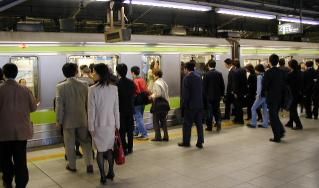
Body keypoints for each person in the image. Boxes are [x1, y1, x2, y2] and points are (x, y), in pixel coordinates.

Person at [0, 63, 37, 188]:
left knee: (5, 159)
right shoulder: (25, 90)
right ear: (16, 74)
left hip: (3, 133)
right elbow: (33, 108)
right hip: (22, 132)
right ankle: (21, 184)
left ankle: (7, 181)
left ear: (4, 74)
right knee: (21, 160)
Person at [55, 63, 93, 173]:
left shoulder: (60, 87)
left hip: (68, 121)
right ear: (76, 71)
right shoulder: (84, 84)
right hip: (82, 118)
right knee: (86, 142)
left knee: (69, 144)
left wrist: (59, 120)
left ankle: (72, 166)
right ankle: (89, 164)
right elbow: (88, 103)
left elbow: (59, 105)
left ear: (63, 73)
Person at [88, 63, 120, 185]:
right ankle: (111, 171)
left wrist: (90, 127)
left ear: (100, 74)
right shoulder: (114, 88)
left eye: (94, 72)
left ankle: (102, 176)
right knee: (109, 150)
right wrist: (117, 125)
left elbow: (91, 111)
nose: (93, 74)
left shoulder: (92, 90)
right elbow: (116, 109)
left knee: (100, 152)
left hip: (97, 126)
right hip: (111, 125)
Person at [178, 61, 204, 149]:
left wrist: (184, 106)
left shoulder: (186, 78)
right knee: (199, 124)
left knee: (187, 125)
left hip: (190, 106)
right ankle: (200, 141)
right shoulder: (199, 77)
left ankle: (186, 142)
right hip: (199, 105)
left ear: (186, 69)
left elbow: (186, 95)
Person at [263, 54, 286, 143]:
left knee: (273, 117)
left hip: (271, 98)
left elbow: (265, 86)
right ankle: (281, 131)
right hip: (280, 97)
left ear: (269, 61)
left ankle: (277, 136)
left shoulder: (268, 72)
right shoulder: (281, 72)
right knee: (275, 115)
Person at [116, 63, 136, 155]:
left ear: (118, 72)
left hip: (121, 111)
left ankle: (124, 148)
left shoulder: (117, 84)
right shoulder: (131, 82)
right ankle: (131, 148)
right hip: (130, 109)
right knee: (130, 130)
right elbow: (133, 95)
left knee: (122, 131)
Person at [203, 60, 225, 132]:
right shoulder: (219, 73)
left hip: (209, 97)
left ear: (209, 65)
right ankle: (218, 124)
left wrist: (204, 96)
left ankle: (209, 127)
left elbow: (204, 87)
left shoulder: (206, 74)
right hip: (217, 96)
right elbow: (222, 85)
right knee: (217, 111)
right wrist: (222, 94)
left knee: (209, 112)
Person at [149, 69, 170, 141]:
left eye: (153, 74)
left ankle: (158, 137)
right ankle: (166, 136)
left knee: (155, 121)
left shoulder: (157, 83)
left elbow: (158, 94)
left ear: (156, 75)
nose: (153, 76)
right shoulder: (164, 82)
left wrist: (151, 96)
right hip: (165, 104)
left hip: (158, 104)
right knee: (163, 121)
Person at [246, 64, 269, 128]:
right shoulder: (265, 75)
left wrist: (257, 95)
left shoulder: (259, 77)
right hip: (266, 95)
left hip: (260, 96)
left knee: (253, 108)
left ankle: (253, 123)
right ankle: (265, 124)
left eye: (256, 69)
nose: (255, 71)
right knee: (265, 109)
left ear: (258, 70)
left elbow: (259, 87)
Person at [131, 66, 149, 140]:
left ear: (132, 73)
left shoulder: (135, 81)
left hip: (137, 101)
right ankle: (136, 131)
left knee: (138, 118)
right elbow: (146, 89)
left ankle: (144, 134)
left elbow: (137, 91)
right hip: (143, 101)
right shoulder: (142, 79)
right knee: (140, 116)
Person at [285, 60, 303, 130]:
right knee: (293, 108)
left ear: (290, 66)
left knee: (292, 110)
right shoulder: (300, 73)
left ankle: (299, 125)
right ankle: (290, 122)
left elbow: (287, 84)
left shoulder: (290, 74)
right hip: (298, 93)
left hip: (292, 94)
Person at [232, 60, 247, 124]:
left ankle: (239, 120)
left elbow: (235, 83)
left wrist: (235, 92)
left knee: (237, 106)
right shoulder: (243, 70)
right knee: (240, 106)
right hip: (242, 91)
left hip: (237, 92)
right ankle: (239, 119)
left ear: (234, 65)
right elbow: (245, 81)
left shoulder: (235, 72)